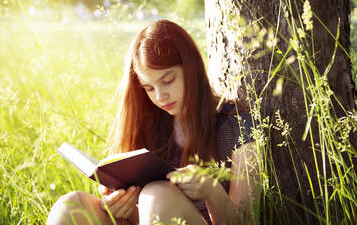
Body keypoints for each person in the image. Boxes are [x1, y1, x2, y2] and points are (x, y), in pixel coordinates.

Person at [47, 19, 259, 225]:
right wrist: (120, 205)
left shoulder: (237, 126)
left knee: (158, 195)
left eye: (167, 81)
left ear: (191, 69)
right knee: (72, 205)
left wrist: (211, 190)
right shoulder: (149, 123)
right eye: (149, 88)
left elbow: (246, 221)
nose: (159, 96)